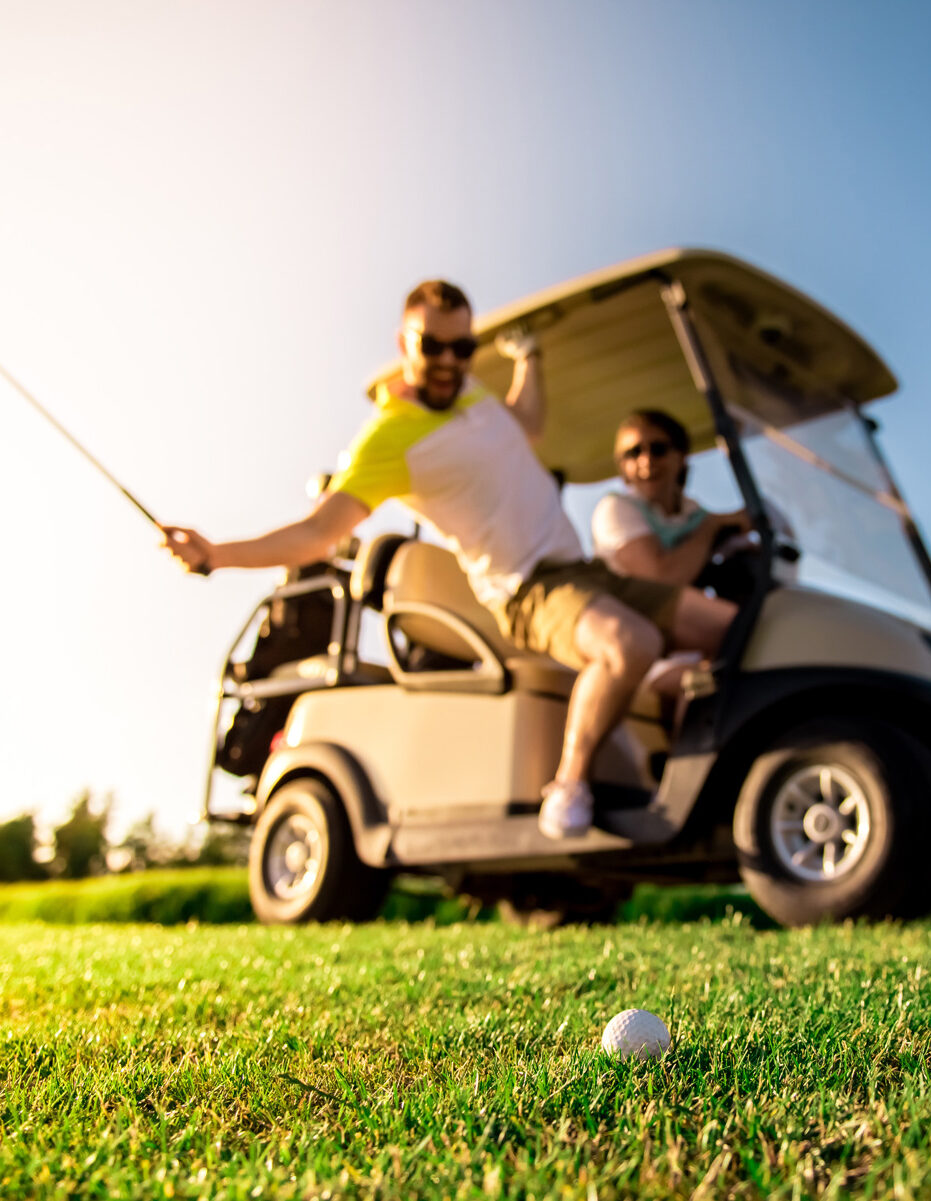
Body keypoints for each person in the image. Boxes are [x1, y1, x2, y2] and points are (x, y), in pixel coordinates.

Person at [162, 280, 737, 839]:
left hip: (584, 571)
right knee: (628, 643)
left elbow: (527, 424)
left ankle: (714, 781)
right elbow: (319, 531)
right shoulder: (389, 436)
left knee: (733, 628)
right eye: (431, 345)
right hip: (526, 589)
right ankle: (569, 786)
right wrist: (216, 554)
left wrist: (528, 357)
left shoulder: (471, 394)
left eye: (462, 347)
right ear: (403, 343)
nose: (447, 360)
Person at [592, 408, 752, 589]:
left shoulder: (693, 513)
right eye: (633, 453)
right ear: (622, 468)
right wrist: (710, 528)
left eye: (658, 449)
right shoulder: (615, 508)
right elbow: (661, 580)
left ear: (681, 457)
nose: (646, 460)